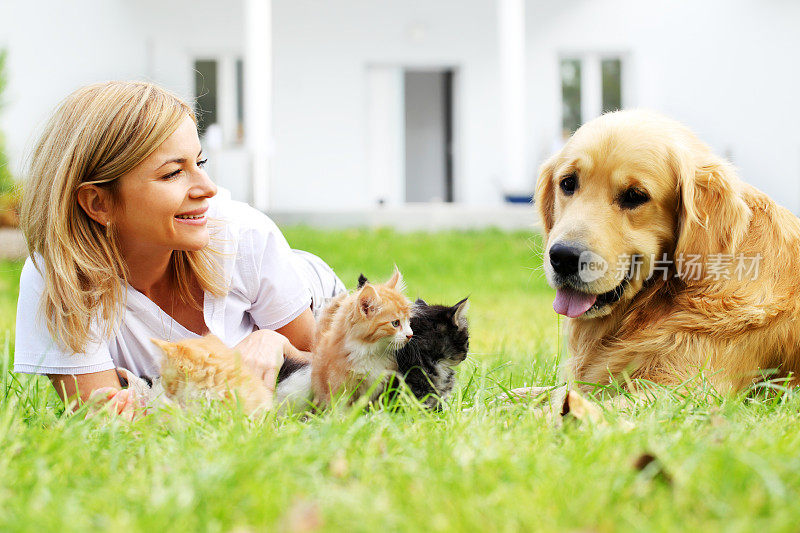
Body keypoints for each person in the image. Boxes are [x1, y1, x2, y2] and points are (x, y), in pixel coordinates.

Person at [13, 81, 344, 417]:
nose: (208, 188)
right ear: (97, 202)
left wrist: (278, 343)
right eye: (173, 173)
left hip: (316, 297)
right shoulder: (60, 281)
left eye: (200, 163)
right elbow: (107, 419)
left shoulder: (245, 237)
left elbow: (330, 368)